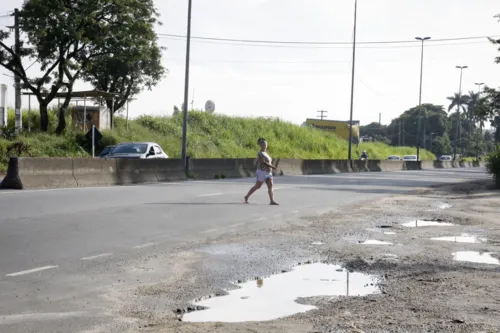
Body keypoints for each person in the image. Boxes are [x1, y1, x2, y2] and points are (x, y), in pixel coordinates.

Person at [244, 138, 279, 205]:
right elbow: (263, 163)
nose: (265, 146)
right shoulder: (260, 153)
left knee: (270, 185)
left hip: (269, 172)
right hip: (262, 172)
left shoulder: (266, 153)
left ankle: (272, 201)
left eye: (265, 144)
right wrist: (273, 167)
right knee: (258, 186)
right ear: (260, 145)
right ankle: (246, 196)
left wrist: (271, 168)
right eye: (263, 145)